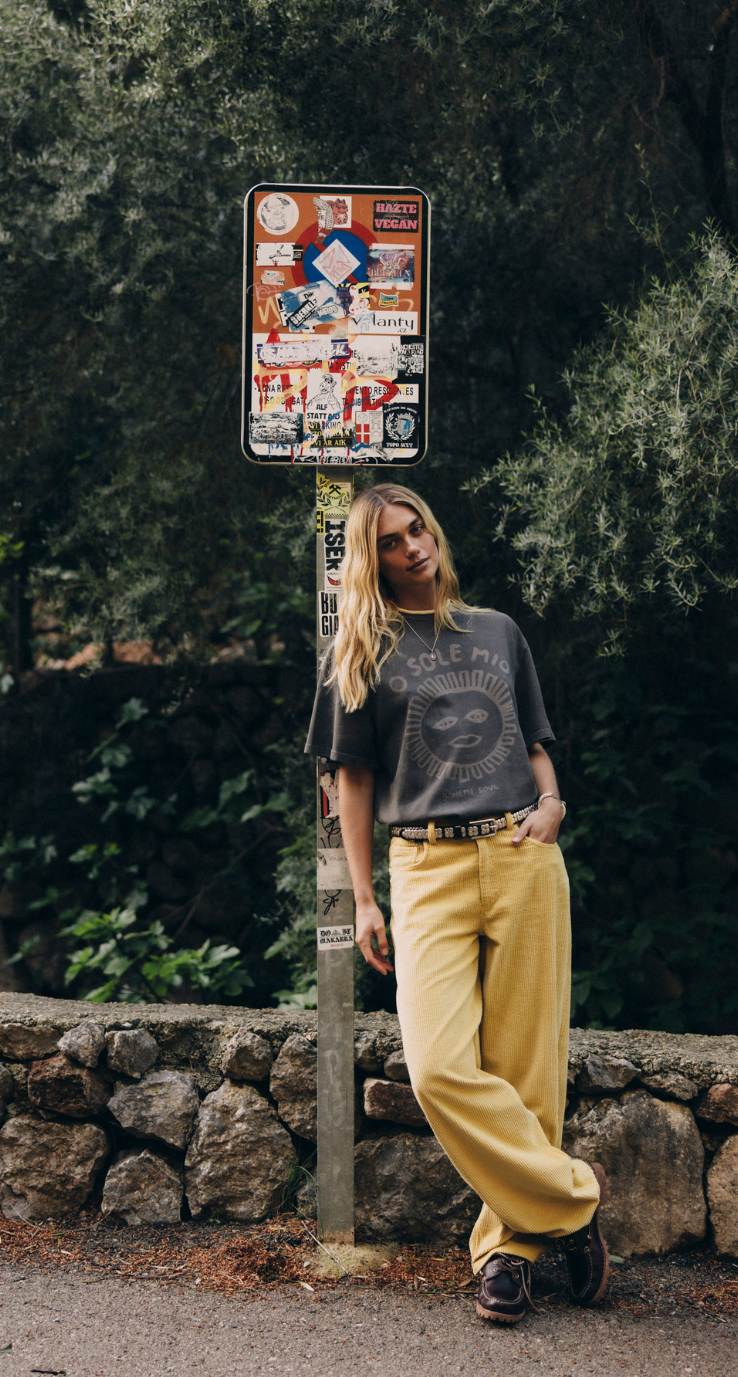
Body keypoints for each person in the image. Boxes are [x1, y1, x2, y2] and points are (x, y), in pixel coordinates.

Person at [305, 483, 608, 1324]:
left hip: (521, 854)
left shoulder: (497, 631)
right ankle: (573, 1201)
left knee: (526, 1070)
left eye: (418, 530)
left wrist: (553, 806)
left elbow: (534, 741)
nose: (414, 547)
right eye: (392, 541)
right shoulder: (358, 654)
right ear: (371, 560)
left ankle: (508, 1254)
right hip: (425, 865)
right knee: (438, 1067)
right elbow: (351, 783)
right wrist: (365, 899)